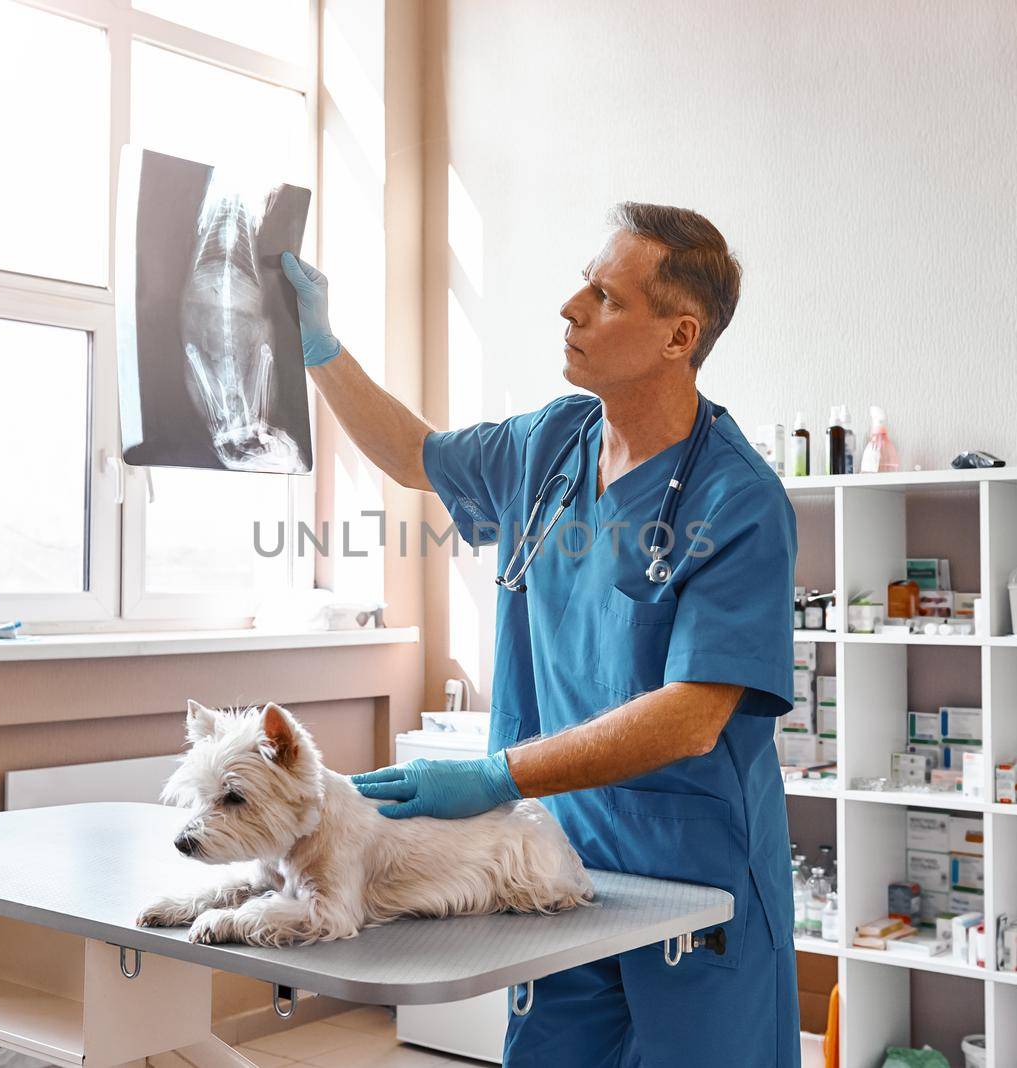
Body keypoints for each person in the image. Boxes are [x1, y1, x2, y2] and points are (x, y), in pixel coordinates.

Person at [281, 201, 798, 1067]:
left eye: (604, 296)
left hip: (695, 885)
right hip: (551, 870)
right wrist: (321, 352)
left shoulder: (737, 501)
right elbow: (416, 456)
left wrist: (491, 774)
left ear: (679, 337)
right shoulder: (550, 444)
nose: (570, 307)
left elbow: (692, 715)